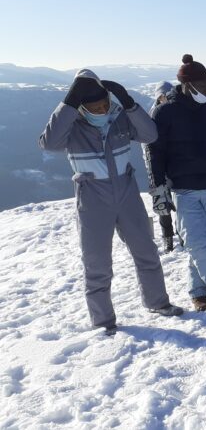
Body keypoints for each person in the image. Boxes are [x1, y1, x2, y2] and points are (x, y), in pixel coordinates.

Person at [40, 69, 182, 335]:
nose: (102, 109)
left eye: (105, 104)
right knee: (97, 262)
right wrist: (68, 103)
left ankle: (158, 302)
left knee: (146, 251)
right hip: (93, 197)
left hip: (126, 192)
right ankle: (103, 321)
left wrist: (129, 104)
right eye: (95, 106)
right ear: (81, 106)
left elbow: (150, 135)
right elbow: (48, 143)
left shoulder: (119, 118)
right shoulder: (72, 127)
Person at [147, 55, 206, 311]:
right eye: (202, 86)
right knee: (197, 242)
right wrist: (158, 188)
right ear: (186, 85)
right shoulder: (164, 113)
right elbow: (156, 153)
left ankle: (198, 291)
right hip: (183, 188)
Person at [147, 81, 177, 253]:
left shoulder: (176, 114)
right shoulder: (152, 116)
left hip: (175, 166)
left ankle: (181, 233)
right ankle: (168, 237)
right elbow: (148, 148)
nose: (164, 98)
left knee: (180, 202)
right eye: (161, 96)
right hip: (158, 168)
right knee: (162, 205)